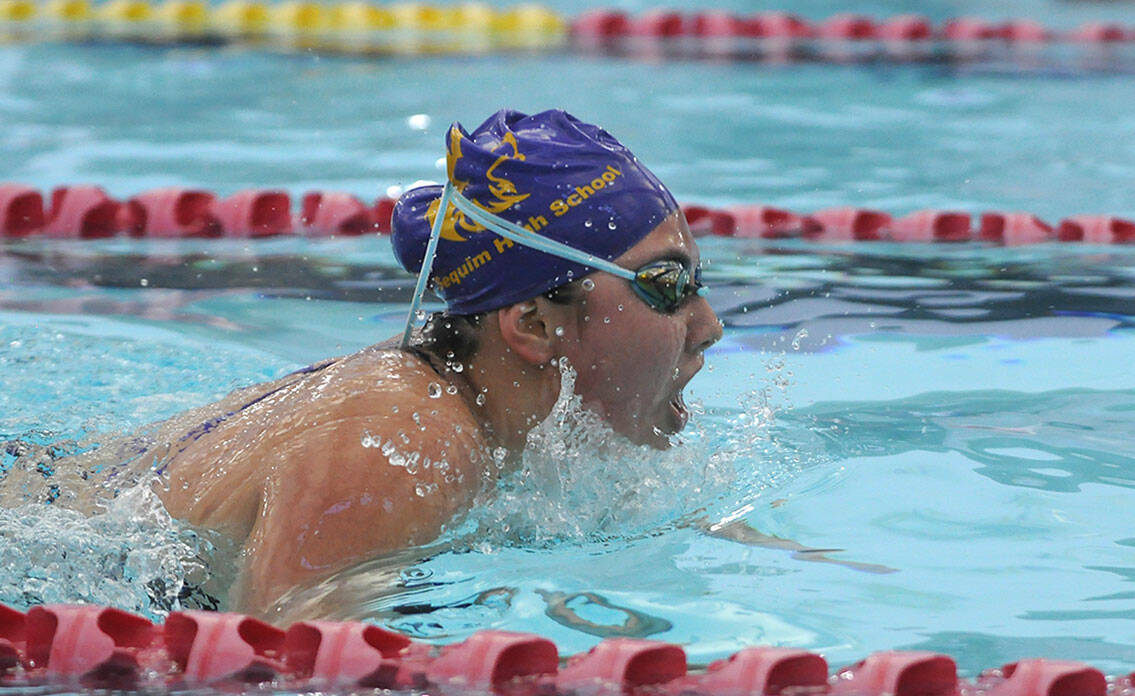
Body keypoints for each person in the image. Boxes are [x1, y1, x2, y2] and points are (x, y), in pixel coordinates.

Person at [0, 108, 723, 620]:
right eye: (668, 285)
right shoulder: (400, 443)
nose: (709, 326)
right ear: (533, 324)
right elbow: (289, 684)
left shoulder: (484, 414)